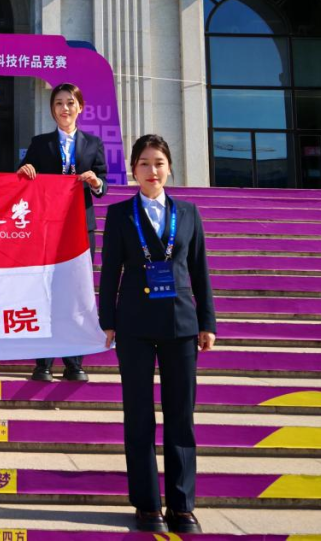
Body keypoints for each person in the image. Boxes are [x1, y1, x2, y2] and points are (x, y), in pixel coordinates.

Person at [98, 134, 216, 534]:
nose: (152, 171)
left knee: (181, 415)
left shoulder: (188, 213)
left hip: (181, 325)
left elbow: (199, 270)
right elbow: (110, 271)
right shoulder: (119, 214)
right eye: (145, 163)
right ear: (133, 170)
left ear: (170, 168)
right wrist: (107, 319)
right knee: (138, 415)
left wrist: (207, 322)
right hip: (133, 325)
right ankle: (147, 504)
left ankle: (182, 505)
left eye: (159, 163)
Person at [16, 82, 108, 383]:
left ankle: (74, 363)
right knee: (44, 292)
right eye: (58, 103)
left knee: (76, 293)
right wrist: (24, 172)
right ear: (52, 109)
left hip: (81, 227)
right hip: (46, 228)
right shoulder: (40, 143)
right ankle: (43, 363)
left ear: (80, 107)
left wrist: (95, 182)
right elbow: (22, 177)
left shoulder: (93, 143)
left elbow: (103, 184)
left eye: (70, 103)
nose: (64, 108)